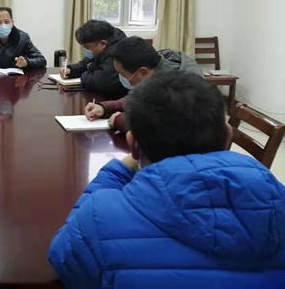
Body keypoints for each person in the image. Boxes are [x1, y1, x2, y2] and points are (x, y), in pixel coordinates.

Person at [49, 71, 285, 289]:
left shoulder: (100, 219)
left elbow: (63, 256)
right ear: (228, 137)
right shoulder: (277, 197)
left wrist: (116, 172)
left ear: (133, 145)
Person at [84, 36, 202, 132]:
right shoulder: (157, 66)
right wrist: (105, 107)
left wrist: (121, 120)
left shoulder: (181, 87)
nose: (121, 78)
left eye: (123, 74)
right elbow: (140, 96)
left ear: (143, 72)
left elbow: (164, 126)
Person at [60, 20, 127, 98]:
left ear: (102, 43)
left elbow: (103, 83)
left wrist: (85, 75)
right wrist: (71, 70)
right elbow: (88, 62)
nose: (86, 50)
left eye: (87, 47)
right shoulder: (104, 43)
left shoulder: (117, 53)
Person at [0, 7, 47, 73]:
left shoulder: (23, 38)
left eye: (7, 22)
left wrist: (27, 62)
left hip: (17, 80)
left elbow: (41, 60)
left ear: (12, 23)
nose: (3, 25)